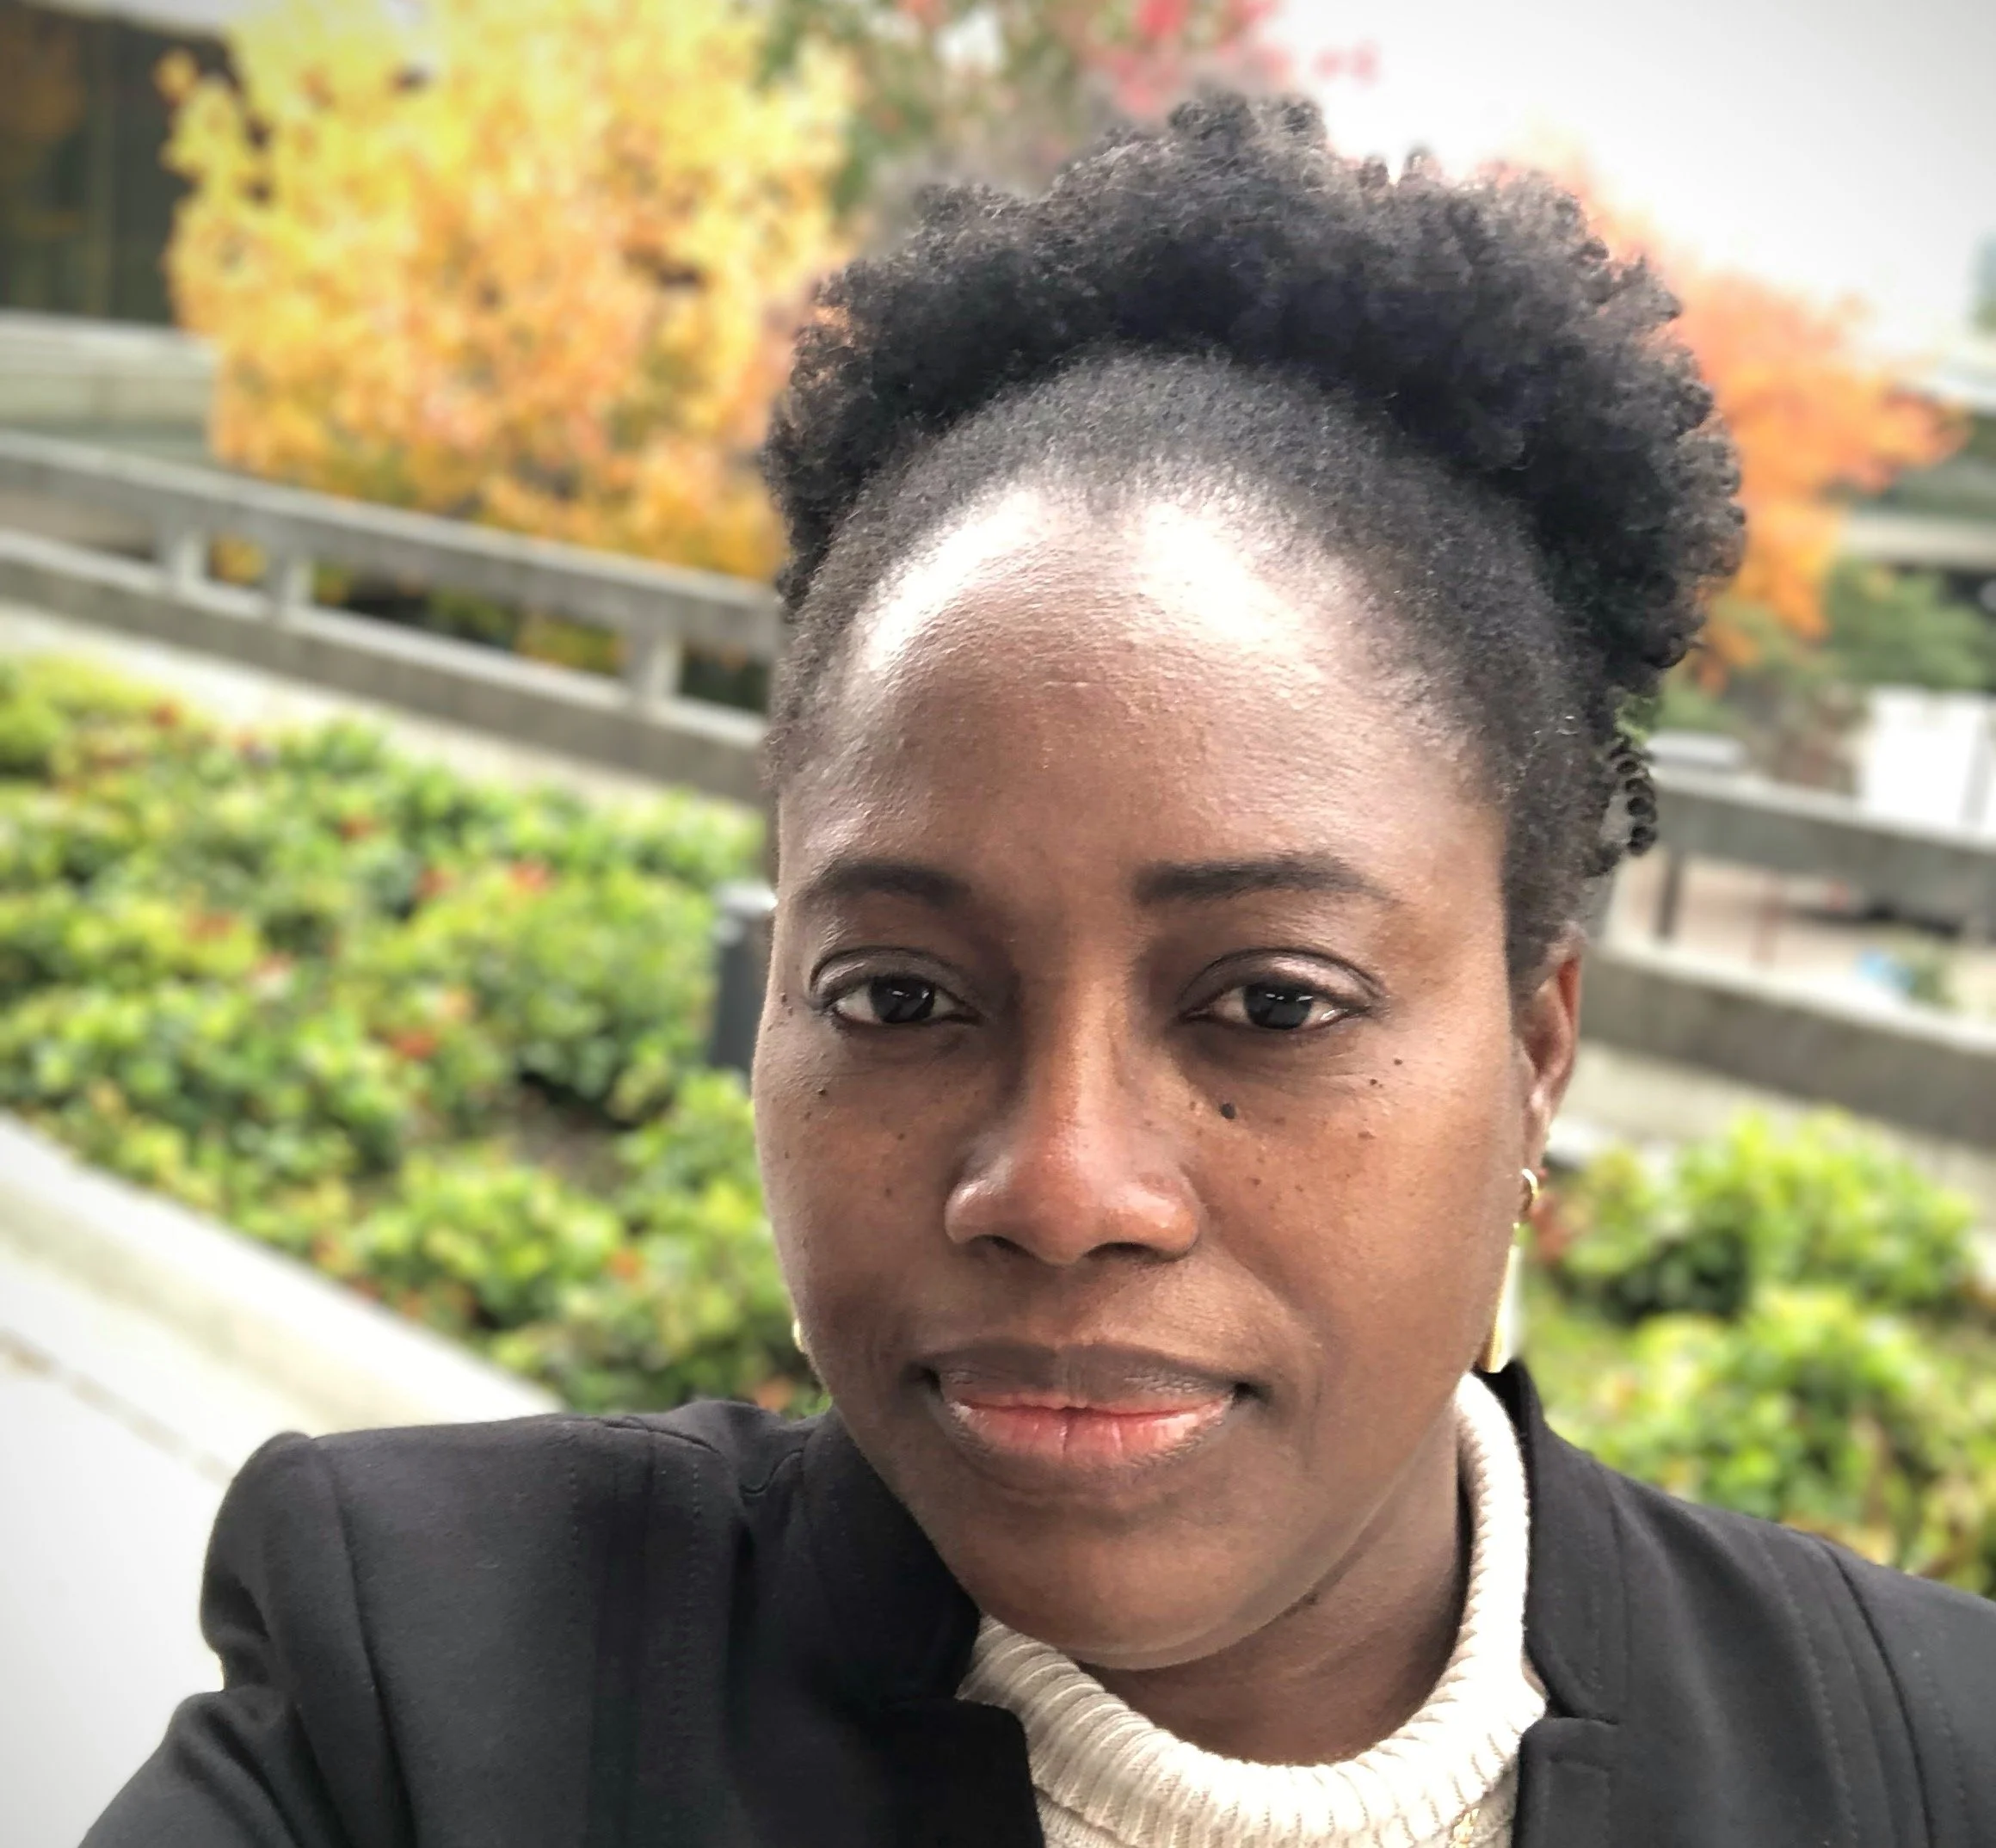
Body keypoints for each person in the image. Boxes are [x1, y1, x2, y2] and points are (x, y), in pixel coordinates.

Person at [89, 95, 1995, 1848]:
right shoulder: (419, 1690)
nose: (1063, 1186)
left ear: (1536, 1048)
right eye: (900, 997)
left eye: (1271, 1000)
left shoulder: (1922, 1761)